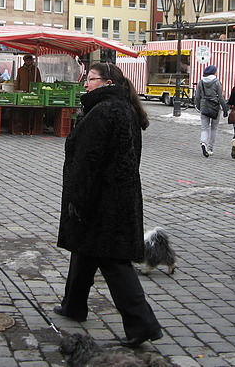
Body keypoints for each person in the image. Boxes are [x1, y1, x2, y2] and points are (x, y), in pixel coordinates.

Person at [55, 62, 162, 348]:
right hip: (114, 197)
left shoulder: (104, 111)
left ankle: (142, 325)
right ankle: (73, 305)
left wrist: (78, 199)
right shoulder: (120, 107)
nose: (86, 84)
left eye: (91, 79)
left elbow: (87, 162)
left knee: (113, 261)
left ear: (107, 82)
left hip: (104, 201)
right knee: (85, 250)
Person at [194, 65, 228, 158]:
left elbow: (197, 96)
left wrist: (197, 106)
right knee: (214, 128)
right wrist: (225, 109)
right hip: (215, 107)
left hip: (204, 106)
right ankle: (210, 148)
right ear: (214, 73)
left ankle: (203, 143)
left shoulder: (201, 82)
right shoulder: (217, 82)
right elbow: (221, 97)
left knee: (204, 128)